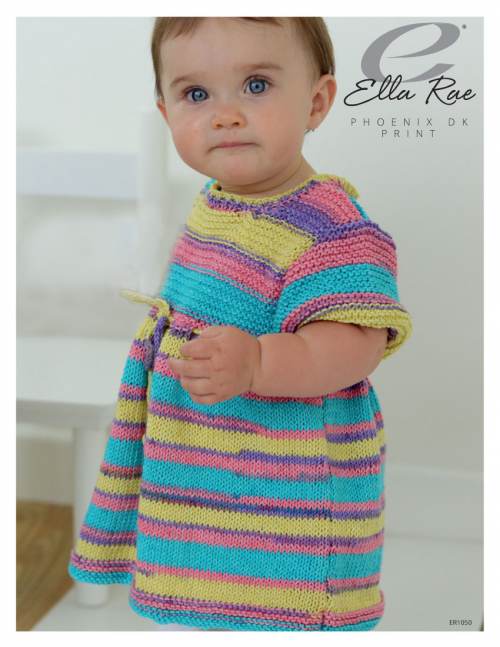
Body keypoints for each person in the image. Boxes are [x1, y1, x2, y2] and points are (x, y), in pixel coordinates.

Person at [67, 17, 413, 632]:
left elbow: (354, 344)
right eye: (196, 94)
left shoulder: (332, 229)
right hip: (204, 464)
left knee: (279, 607)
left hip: (290, 490)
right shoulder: (219, 200)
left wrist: (259, 362)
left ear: (316, 102)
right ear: (166, 111)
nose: (224, 115)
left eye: (256, 85)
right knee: (209, 596)